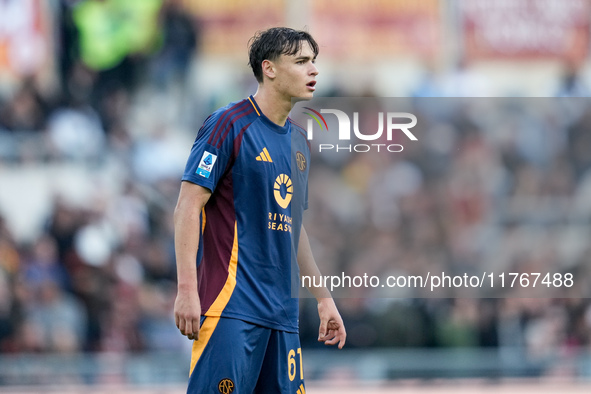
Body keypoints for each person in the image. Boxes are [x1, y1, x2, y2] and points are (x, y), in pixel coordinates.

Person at [173, 27, 346, 393]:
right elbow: (188, 206)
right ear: (269, 68)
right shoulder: (228, 124)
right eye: (301, 62)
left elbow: (293, 228)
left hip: (283, 317)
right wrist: (187, 289)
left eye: (314, 62)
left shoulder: (299, 141)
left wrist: (324, 298)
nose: (313, 70)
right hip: (231, 310)